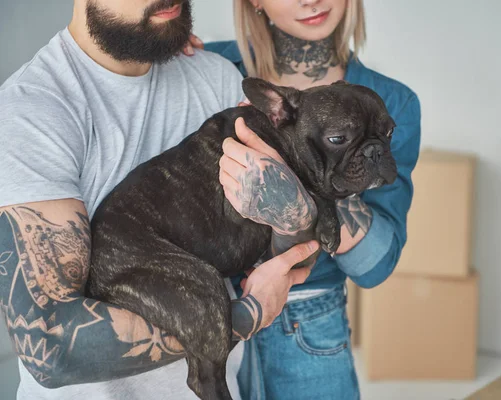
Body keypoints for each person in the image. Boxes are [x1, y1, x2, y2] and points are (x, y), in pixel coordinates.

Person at [0, 1, 321, 399]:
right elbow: (52, 349)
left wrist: (295, 214)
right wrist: (245, 316)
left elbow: (290, 255)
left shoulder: (215, 76)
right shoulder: (31, 112)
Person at [202, 0, 422, 398]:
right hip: (207, 314)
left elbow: (375, 267)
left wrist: (297, 184)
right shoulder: (208, 68)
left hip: (308, 318)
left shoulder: (393, 99)